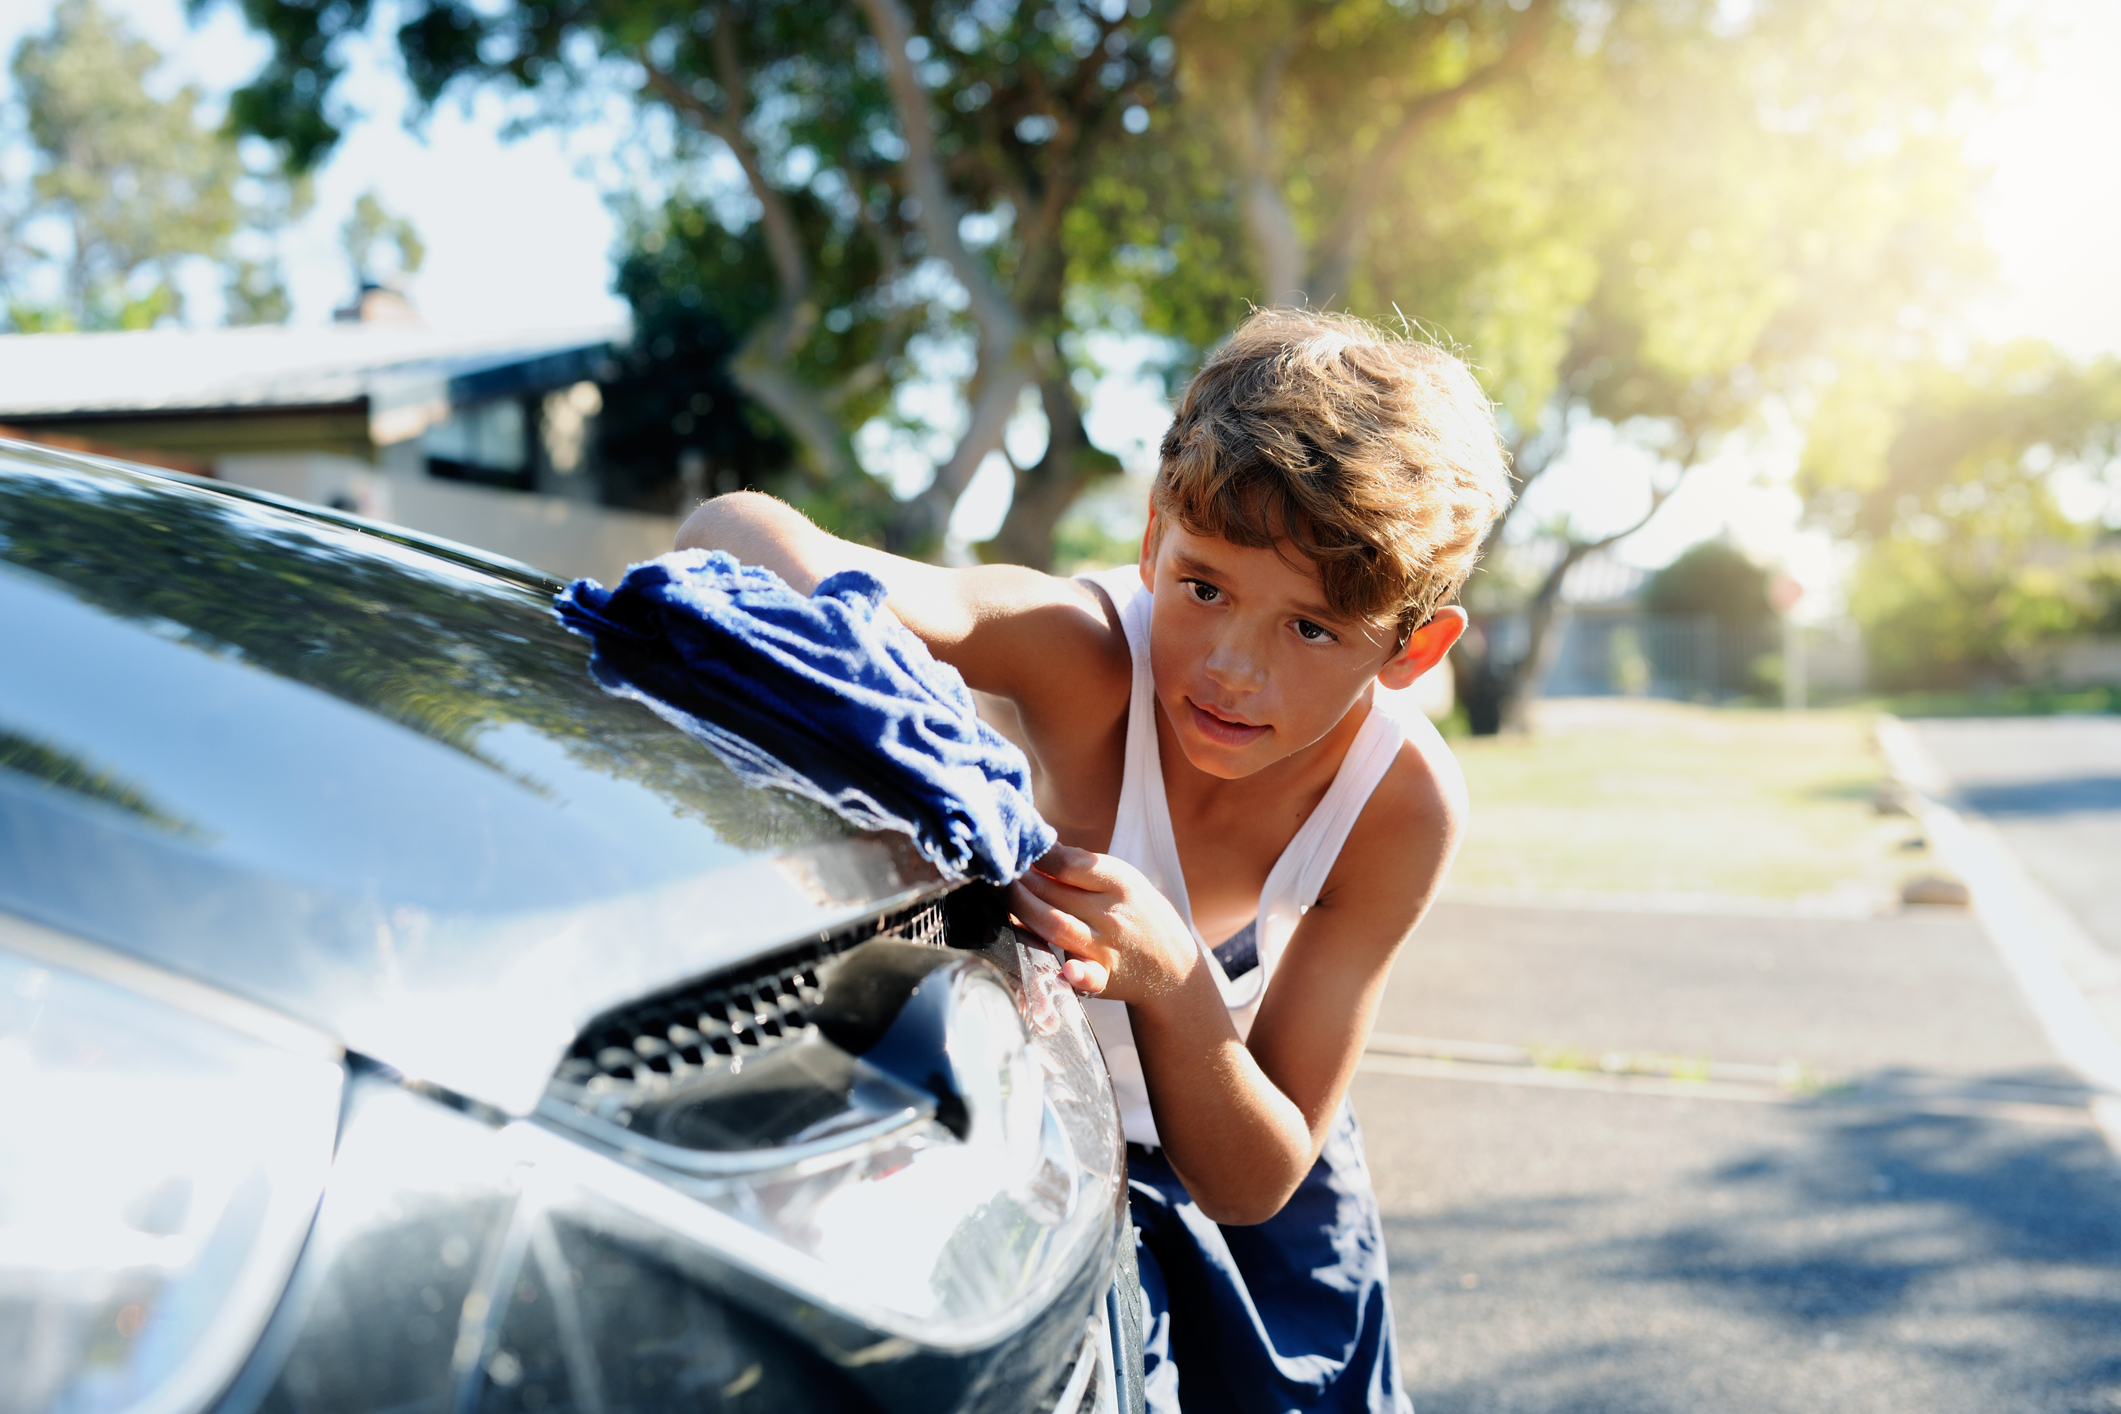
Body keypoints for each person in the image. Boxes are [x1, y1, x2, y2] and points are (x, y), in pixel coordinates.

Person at [674, 308, 1512, 1413]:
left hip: (1240, 1153)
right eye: (1204, 585)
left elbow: (1257, 1176)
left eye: (1309, 629)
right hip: (1034, 1138)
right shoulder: (1087, 654)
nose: (1229, 669)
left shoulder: (1397, 805)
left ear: (1412, 651)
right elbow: (731, 528)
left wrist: (1172, 975)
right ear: (1156, 535)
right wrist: (863, 666)